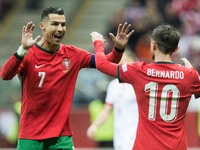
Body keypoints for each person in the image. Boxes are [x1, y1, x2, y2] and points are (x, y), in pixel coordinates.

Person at [0, 7, 134, 150]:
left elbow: (105, 63)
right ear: (42, 26)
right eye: (55, 24)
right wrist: (21, 50)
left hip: (61, 137)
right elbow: (5, 75)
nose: (60, 28)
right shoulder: (28, 54)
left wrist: (118, 49)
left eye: (63, 24)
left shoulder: (72, 54)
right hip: (30, 136)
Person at [90, 23, 200, 150]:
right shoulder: (189, 75)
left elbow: (101, 64)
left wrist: (99, 43)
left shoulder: (139, 71)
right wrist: (193, 72)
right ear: (175, 49)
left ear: (153, 45)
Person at [87, 50, 138, 150]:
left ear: (132, 61)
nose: (121, 65)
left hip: (134, 131)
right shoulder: (113, 85)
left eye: (125, 61)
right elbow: (107, 110)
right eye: (119, 62)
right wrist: (95, 125)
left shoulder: (137, 83)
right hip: (118, 133)